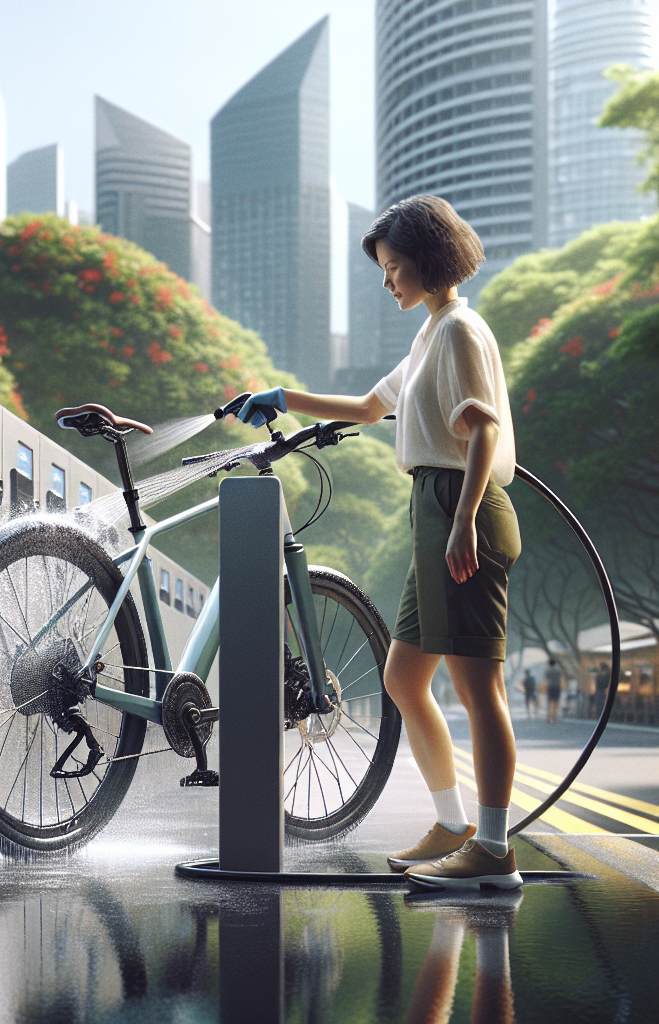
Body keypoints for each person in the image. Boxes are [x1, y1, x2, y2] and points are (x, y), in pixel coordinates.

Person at [234, 195, 522, 890]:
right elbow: (370, 407)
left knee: (477, 686)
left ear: (428, 259)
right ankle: (453, 825)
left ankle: (492, 849)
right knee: (403, 677)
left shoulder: (458, 331)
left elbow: (481, 430)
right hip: (434, 505)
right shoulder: (429, 336)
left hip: (462, 506)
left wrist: (462, 521)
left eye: (394, 266)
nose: (388, 279)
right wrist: (286, 398)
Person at [544, 659, 563, 724]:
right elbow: (560, 678)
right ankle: (554, 716)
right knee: (556, 702)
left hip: (551, 687)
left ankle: (549, 717)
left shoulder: (548, 670)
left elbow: (546, 678)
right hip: (557, 687)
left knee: (549, 702)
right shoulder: (558, 670)